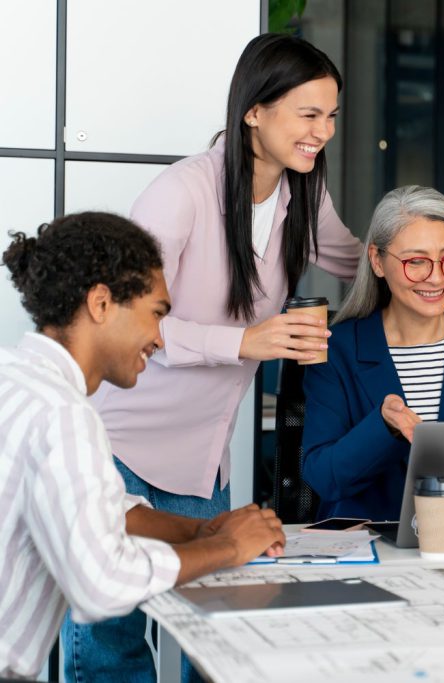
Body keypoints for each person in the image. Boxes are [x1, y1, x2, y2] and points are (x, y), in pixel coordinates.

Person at [67, 34, 361, 681]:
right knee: (109, 648)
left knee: (213, 638)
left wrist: (421, 267)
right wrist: (245, 341)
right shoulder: (182, 192)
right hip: (118, 446)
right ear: (254, 110)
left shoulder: (303, 199)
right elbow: (123, 322)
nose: (324, 132)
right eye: (309, 114)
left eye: (332, 116)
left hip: (202, 462)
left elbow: (358, 260)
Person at [0, 213, 285, 679]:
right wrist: (228, 549)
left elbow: (109, 510)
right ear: (100, 303)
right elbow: (101, 583)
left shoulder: (16, 377)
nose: (158, 338)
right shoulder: (63, 415)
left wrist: (204, 530)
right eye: (156, 313)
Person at [301, 186, 444, 520]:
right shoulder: (337, 348)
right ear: (377, 261)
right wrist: (383, 428)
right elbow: (323, 477)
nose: (437, 277)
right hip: (371, 544)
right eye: (416, 262)